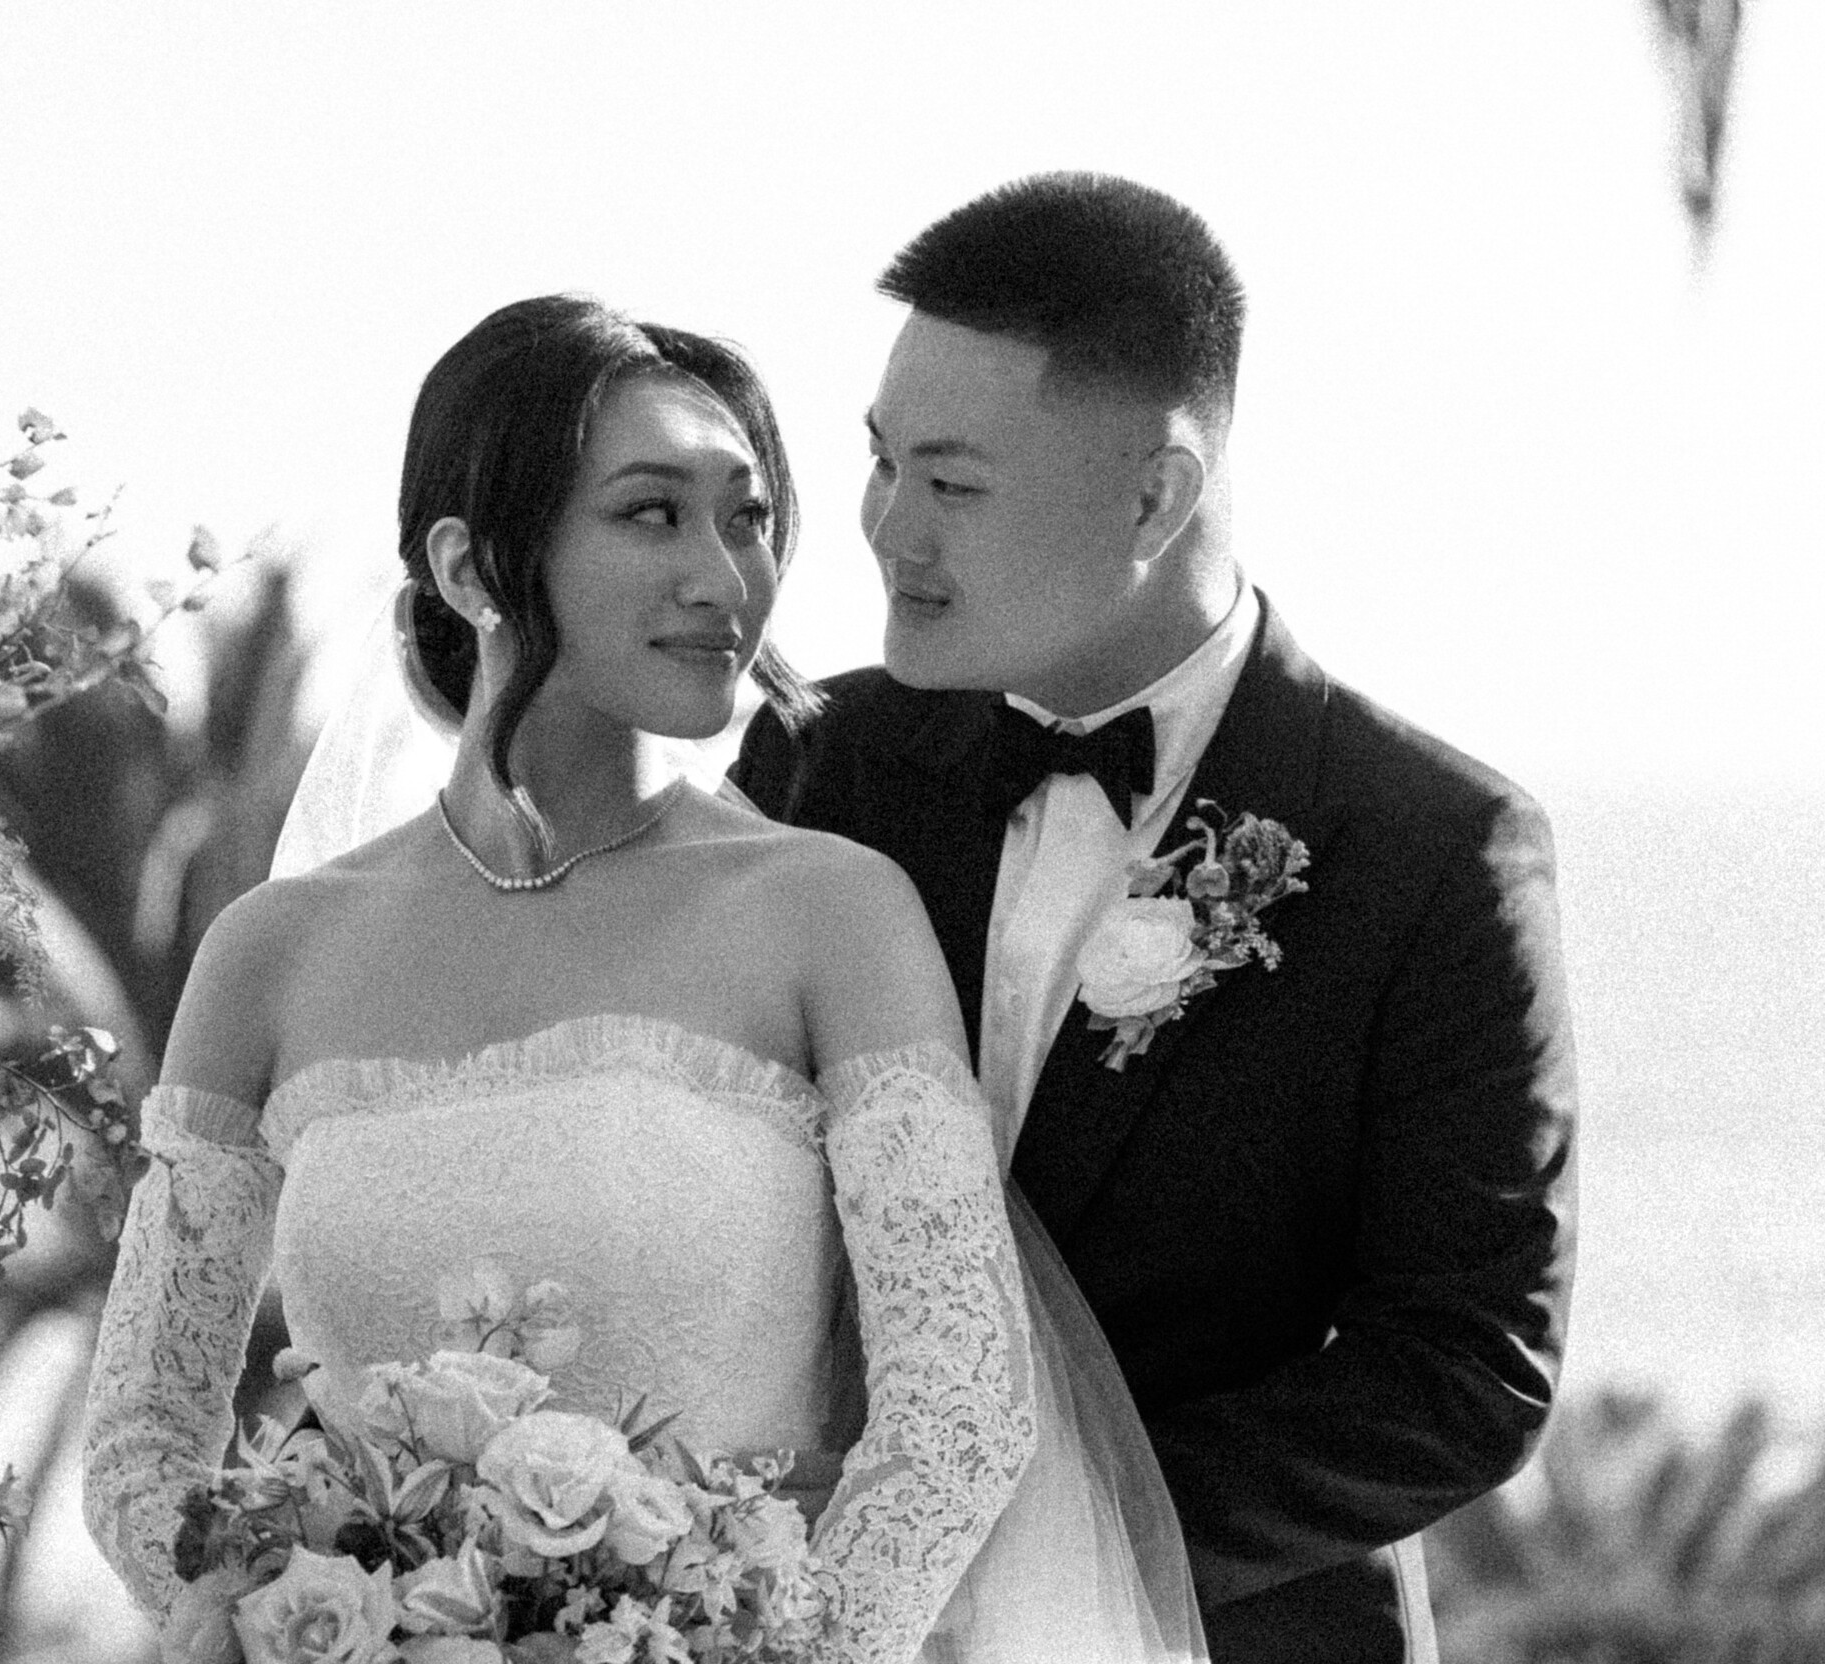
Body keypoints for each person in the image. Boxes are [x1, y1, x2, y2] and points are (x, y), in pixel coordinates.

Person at [82, 294, 1206, 1663]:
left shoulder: (829, 916)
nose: (725, 576)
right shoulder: (271, 953)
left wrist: (759, 1654)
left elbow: (959, 1417)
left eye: (746, 516)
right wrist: (303, 1633)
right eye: (652, 513)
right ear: (473, 565)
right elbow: (141, 1446)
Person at [733, 172, 1580, 1664]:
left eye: (955, 483)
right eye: (879, 462)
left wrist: (1040, 1537)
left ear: (1156, 492)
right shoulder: (819, 761)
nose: (886, 530)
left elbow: (1466, 1369)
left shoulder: (1431, 849)